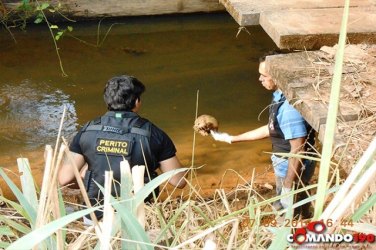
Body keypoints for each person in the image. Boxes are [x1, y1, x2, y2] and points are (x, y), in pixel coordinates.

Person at [58, 75, 187, 220]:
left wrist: (89, 181)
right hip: (139, 217)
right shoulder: (153, 134)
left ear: (107, 101)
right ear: (137, 101)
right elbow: (179, 181)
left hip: (96, 216)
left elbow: (65, 179)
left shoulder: (87, 131)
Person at [211, 52, 316, 218]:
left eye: (264, 75)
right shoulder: (280, 95)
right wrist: (232, 138)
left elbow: (298, 148)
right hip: (292, 166)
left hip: (292, 168)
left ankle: (288, 240)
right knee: (301, 204)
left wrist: (289, 184)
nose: (260, 79)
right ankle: (306, 227)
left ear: (279, 77)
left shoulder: (289, 109)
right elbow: (272, 128)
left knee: (286, 212)